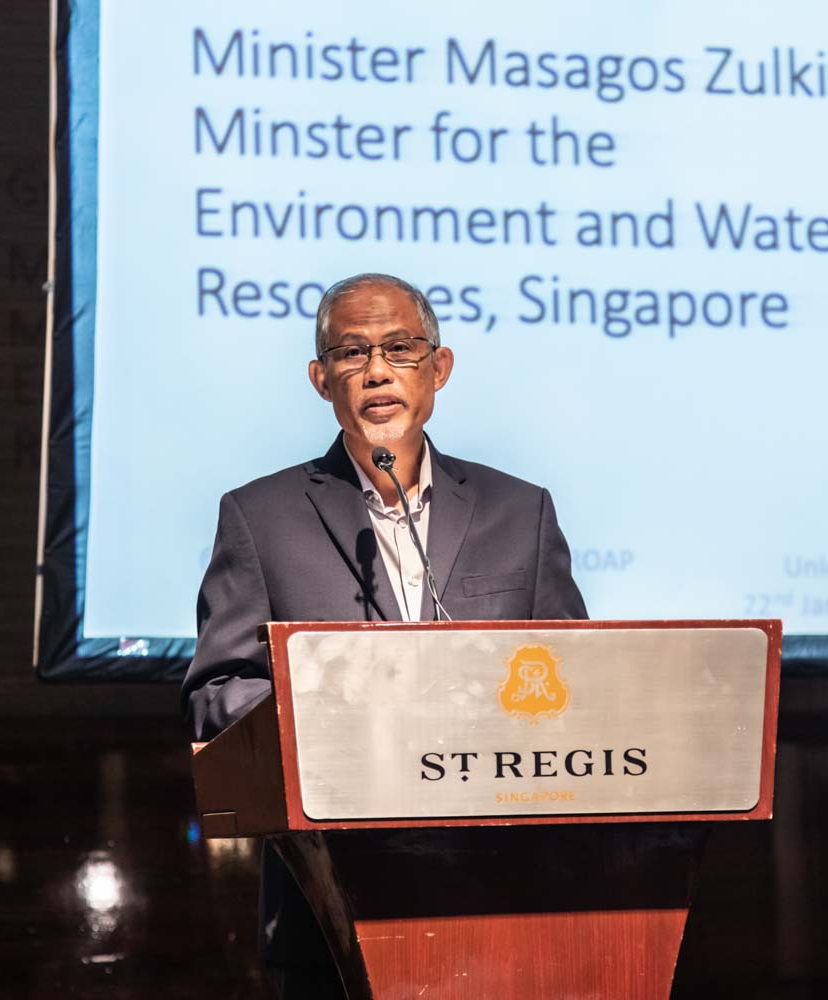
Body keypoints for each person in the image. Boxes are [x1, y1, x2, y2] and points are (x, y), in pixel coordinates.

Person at [180, 272, 587, 997]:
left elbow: (575, 680)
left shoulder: (519, 511)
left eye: (400, 348)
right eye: (351, 352)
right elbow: (219, 694)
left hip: (502, 892)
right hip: (327, 903)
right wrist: (336, 719)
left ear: (439, 368)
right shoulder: (260, 516)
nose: (376, 370)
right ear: (321, 379)